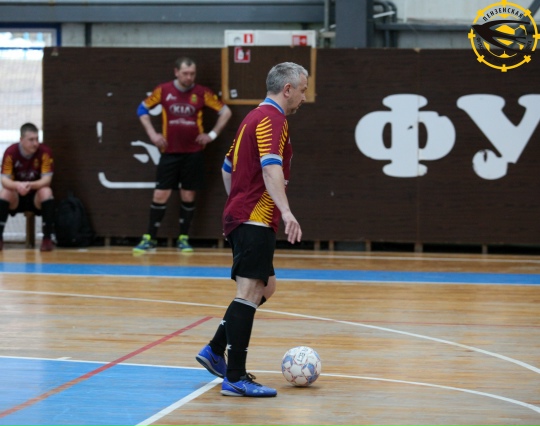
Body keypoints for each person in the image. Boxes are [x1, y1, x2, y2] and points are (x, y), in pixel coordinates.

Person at [196, 62, 308, 397]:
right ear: (287, 89)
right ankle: (235, 377)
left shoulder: (252, 118)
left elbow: (227, 168)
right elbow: (271, 168)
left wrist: (237, 203)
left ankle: (215, 349)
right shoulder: (273, 119)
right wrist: (284, 211)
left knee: (266, 287)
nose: (304, 97)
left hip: (245, 215)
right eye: (303, 90)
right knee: (247, 293)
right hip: (254, 218)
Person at [133, 57, 232, 253]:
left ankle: (183, 238)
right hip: (169, 152)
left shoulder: (202, 92)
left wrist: (211, 135)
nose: (189, 77)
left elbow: (225, 111)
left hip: (193, 153)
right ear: (176, 72)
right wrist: (153, 134)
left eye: (192, 73)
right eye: (185, 73)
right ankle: (150, 238)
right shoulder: (163, 90)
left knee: (188, 194)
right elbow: (141, 109)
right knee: (160, 194)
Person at [0, 122, 56, 251]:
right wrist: (17, 185)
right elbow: (4, 180)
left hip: (35, 196)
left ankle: (47, 239)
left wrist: (30, 185)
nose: (35, 143)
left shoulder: (45, 152)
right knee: (4, 192)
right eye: (31, 140)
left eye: (37, 139)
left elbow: (47, 180)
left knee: (46, 191)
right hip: (17, 196)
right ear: (21, 140)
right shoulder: (10, 152)